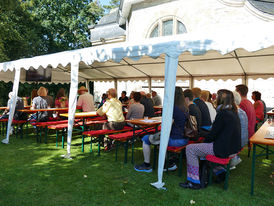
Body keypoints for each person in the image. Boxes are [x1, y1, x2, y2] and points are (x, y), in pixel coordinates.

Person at [179, 89, 241, 189]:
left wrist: (202, 137)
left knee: (190, 148)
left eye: (217, 97)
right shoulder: (233, 112)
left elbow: (212, 135)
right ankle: (221, 173)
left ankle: (193, 181)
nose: (215, 98)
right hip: (232, 149)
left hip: (222, 149)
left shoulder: (223, 113)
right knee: (202, 148)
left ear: (221, 99)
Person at [134, 87, 189, 173]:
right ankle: (169, 163)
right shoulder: (185, 108)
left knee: (145, 138)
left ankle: (147, 165)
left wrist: (159, 134)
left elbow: (167, 127)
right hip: (184, 138)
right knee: (160, 140)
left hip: (175, 140)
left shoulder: (174, 109)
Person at [230, 91, 248, 169]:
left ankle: (231, 161)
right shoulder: (242, 111)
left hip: (237, 144)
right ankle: (234, 158)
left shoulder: (233, 112)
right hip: (244, 141)